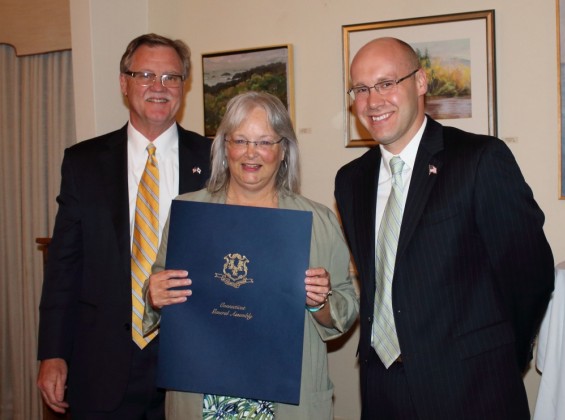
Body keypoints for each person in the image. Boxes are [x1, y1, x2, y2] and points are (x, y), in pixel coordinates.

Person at [334, 37, 554, 420]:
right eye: (361, 88)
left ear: (420, 82)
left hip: (471, 389)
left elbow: (529, 274)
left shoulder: (479, 160)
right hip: (382, 388)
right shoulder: (350, 180)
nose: (373, 100)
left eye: (387, 83)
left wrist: (500, 354)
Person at [143, 91, 359, 419]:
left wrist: (320, 301)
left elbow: (345, 308)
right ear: (223, 146)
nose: (250, 153)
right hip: (202, 396)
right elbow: (158, 288)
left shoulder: (317, 221)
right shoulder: (190, 212)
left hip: (284, 401)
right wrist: (154, 294)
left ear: (283, 150)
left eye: (264, 142)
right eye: (240, 140)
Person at [37, 33, 212, 419]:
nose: (159, 87)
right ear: (123, 82)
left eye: (171, 77)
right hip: (102, 361)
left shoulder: (215, 160)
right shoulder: (83, 163)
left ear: (184, 86)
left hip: (192, 359)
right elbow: (64, 265)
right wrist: (52, 352)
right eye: (145, 74)